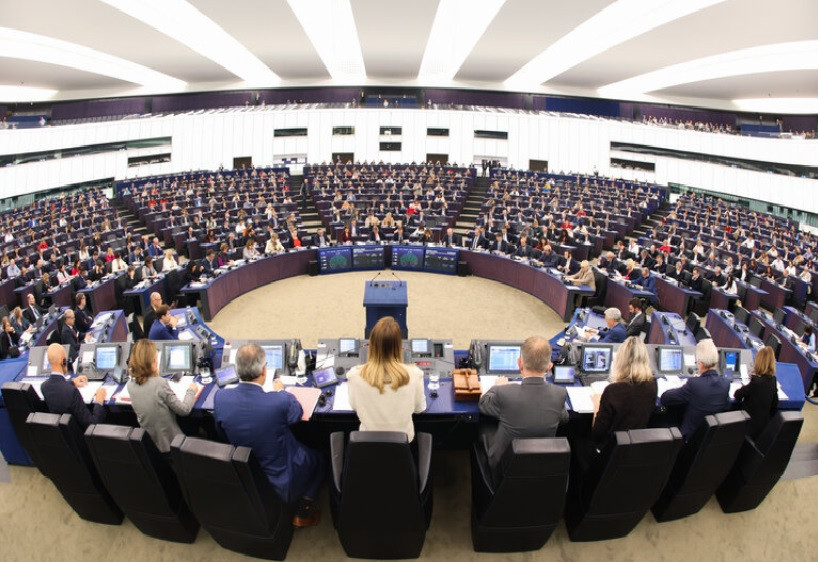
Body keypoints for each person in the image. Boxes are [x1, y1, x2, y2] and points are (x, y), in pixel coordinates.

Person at [214, 344, 325, 527]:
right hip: (282, 476)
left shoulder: (220, 398)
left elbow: (222, 435)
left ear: (237, 369)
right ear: (264, 371)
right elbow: (296, 415)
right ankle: (303, 511)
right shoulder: (279, 400)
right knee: (321, 458)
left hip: (246, 472)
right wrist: (280, 391)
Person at [478, 336, 567, 468]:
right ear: (549, 367)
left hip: (504, 467)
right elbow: (564, 418)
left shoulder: (504, 392)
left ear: (520, 363)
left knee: (484, 428)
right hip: (542, 466)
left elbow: (483, 404)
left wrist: (497, 386)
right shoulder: (559, 393)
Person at [347, 316, 426, 441]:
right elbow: (419, 409)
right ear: (399, 345)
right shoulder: (415, 374)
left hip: (366, 445)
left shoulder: (355, 375)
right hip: (402, 446)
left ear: (372, 344)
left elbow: (354, 407)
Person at [126, 340, 200, 455]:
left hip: (152, 444)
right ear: (152, 361)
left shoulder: (130, 385)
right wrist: (191, 390)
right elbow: (184, 410)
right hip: (172, 444)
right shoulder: (160, 383)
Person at [590, 336, 658, 448]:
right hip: (635, 446)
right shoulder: (653, 384)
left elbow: (597, 434)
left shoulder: (612, 391)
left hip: (609, 451)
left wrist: (597, 404)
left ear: (620, 360)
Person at [660, 339, 730, 441]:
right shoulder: (725, 383)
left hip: (690, 439)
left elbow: (665, 398)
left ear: (701, 364)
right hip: (710, 437)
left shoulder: (694, 384)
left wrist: (694, 383)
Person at [41, 343, 107, 430]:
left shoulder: (44, 387)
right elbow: (92, 425)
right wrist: (99, 401)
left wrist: (72, 382)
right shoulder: (71, 391)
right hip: (82, 435)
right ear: (63, 361)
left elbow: (58, 387)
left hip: (65, 433)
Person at [734, 346, 779, 440]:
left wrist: (746, 385)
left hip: (749, 429)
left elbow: (737, 395)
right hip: (763, 428)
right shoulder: (773, 380)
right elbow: (774, 406)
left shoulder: (756, 382)